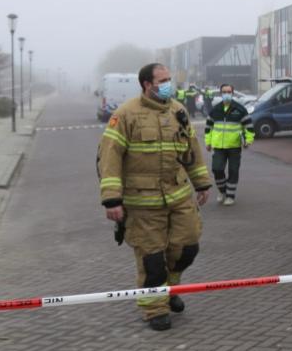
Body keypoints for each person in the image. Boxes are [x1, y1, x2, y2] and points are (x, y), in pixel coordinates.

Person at [97, 63, 213, 330]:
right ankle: (154, 309)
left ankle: (168, 291)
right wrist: (112, 199)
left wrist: (202, 184)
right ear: (147, 85)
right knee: (152, 260)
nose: (168, 84)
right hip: (143, 204)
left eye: (169, 79)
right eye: (162, 80)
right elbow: (110, 157)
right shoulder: (125, 115)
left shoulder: (178, 111)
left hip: (179, 196)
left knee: (187, 248)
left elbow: (191, 151)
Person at [204, 84, 255, 206]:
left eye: (229, 91)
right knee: (217, 169)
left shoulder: (240, 109)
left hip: (234, 146)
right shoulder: (215, 109)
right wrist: (208, 142)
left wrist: (248, 140)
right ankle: (223, 191)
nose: (226, 94)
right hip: (219, 147)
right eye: (224, 92)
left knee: (233, 171)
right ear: (221, 93)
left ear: (232, 93)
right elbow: (208, 127)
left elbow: (249, 126)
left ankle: (230, 196)